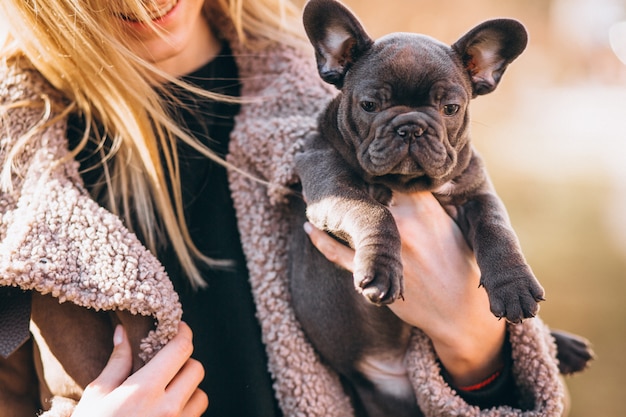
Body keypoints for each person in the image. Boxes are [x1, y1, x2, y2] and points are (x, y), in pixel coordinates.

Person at [0, 0, 574, 416]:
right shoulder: (15, 163)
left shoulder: (319, 110)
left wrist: (477, 348)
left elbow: (504, 386)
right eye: (377, 105)